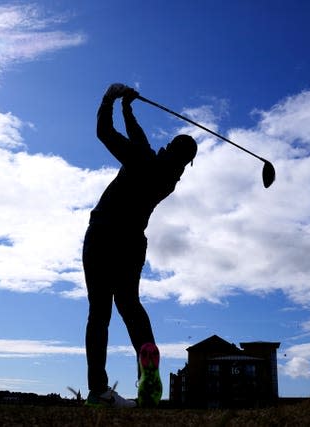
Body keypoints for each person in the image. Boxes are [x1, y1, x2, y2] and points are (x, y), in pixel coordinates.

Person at [83, 83, 197, 408]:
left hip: (103, 234)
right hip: (132, 243)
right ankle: (146, 365)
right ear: (186, 164)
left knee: (99, 313)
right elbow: (140, 140)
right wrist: (128, 109)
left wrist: (109, 98)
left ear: (168, 146)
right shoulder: (167, 180)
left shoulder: (142, 159)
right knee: (130, 305)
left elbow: (105, 133)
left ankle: (99, 391)